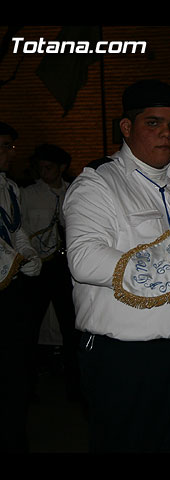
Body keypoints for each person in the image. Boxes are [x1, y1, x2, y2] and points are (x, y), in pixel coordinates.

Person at [63, 79, 170, 452]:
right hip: (128, 357)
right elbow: (84, 259)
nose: (166, 134)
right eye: (153, 123)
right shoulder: (98, 183)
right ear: (127, 127)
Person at [20, 144, 81, 401]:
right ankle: (26, 386)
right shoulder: (28, 194)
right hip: (39, 266)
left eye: (49, 167)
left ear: (62, 168)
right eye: (40, 167)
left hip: (65, 267)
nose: (43, 172)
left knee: (72, 326)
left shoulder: (75, 192)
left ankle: (76, 386)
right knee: (29, 327)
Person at [0, 121, 42, 451]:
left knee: (16, 369)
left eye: (10, 146)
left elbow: (15, 230)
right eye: (2, 145)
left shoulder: (9, 187)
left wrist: (27, 251)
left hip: (9, 289)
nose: (9, 153)